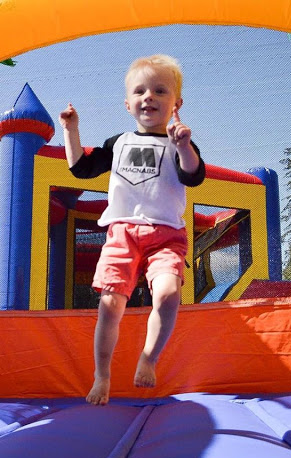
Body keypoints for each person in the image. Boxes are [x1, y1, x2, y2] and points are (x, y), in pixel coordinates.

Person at [59, 54, 205, 405]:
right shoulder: (119, 143)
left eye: (159, 90)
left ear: (176, 104)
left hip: (166, 233)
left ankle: (148, 358)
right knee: (110, 304)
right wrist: (71, 130)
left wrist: (184, 145)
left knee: (169, 293)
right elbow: (80, 168)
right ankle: (102, 375)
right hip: (122, 232)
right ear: (128, 104)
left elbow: (193, 175)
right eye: (140, 91)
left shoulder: (177, 143)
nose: (149, 97)